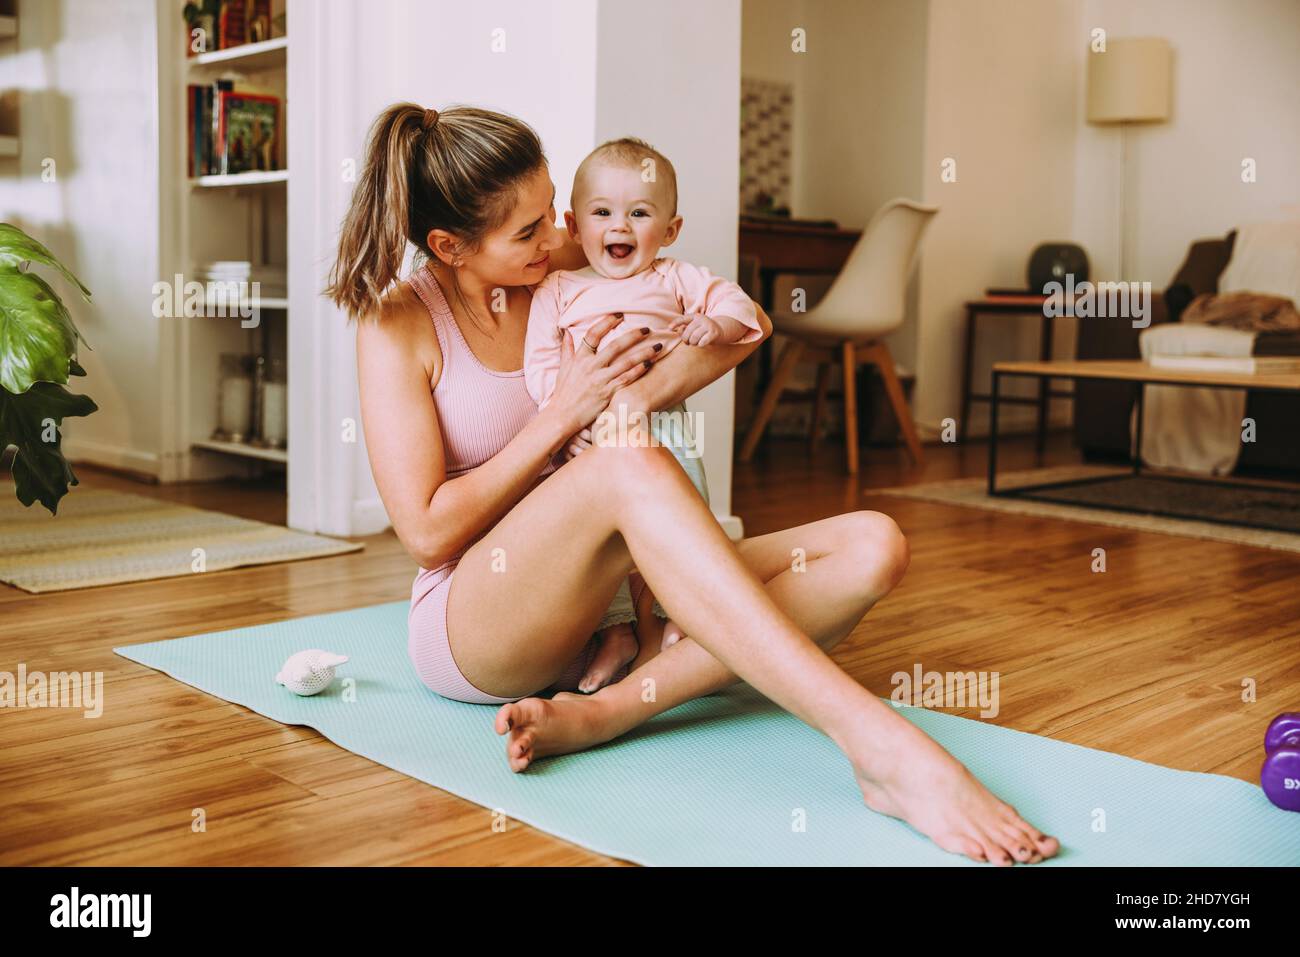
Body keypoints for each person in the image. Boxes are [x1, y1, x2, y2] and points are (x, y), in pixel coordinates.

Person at [326, 102, 1060, 866]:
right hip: (479, 622)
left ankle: (610, 711)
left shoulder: (570, 256)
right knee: (621, 459)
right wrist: (562, 418)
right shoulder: (398, 321)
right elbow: (426, 531)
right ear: (449, 246)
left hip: (599, 603)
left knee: (873, 545)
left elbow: (747, 331)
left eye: (554, 213)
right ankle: (884, 748)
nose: (560, 234)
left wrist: (641, 393)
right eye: (529, 232)